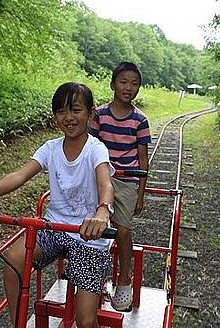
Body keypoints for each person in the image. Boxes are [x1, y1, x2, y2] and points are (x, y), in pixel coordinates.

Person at [0, 82, 115, 328]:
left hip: (89, 234)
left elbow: (105, 183)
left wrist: (102, 212)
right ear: (55, 116)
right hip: (55, 228)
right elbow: (19, 175)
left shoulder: (95, 149)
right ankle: (18, 324)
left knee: (85, 320)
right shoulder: (50, 148)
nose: (68, 117)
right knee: (14, 260)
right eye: (61, 111)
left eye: (76, 110)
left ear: (90, 114)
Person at [88, 61, 151, 311]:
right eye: (123, 82)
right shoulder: (100, 115)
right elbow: (89, 148)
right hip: (101, 175)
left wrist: (141, 193)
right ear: (113, 84)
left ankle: (124, 279)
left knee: (123, 230)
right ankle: (94, 275)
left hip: (126, 180)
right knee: (94, 227)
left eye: (134, 84)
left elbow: (143, 158)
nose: (128, 88)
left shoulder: (140, 120)